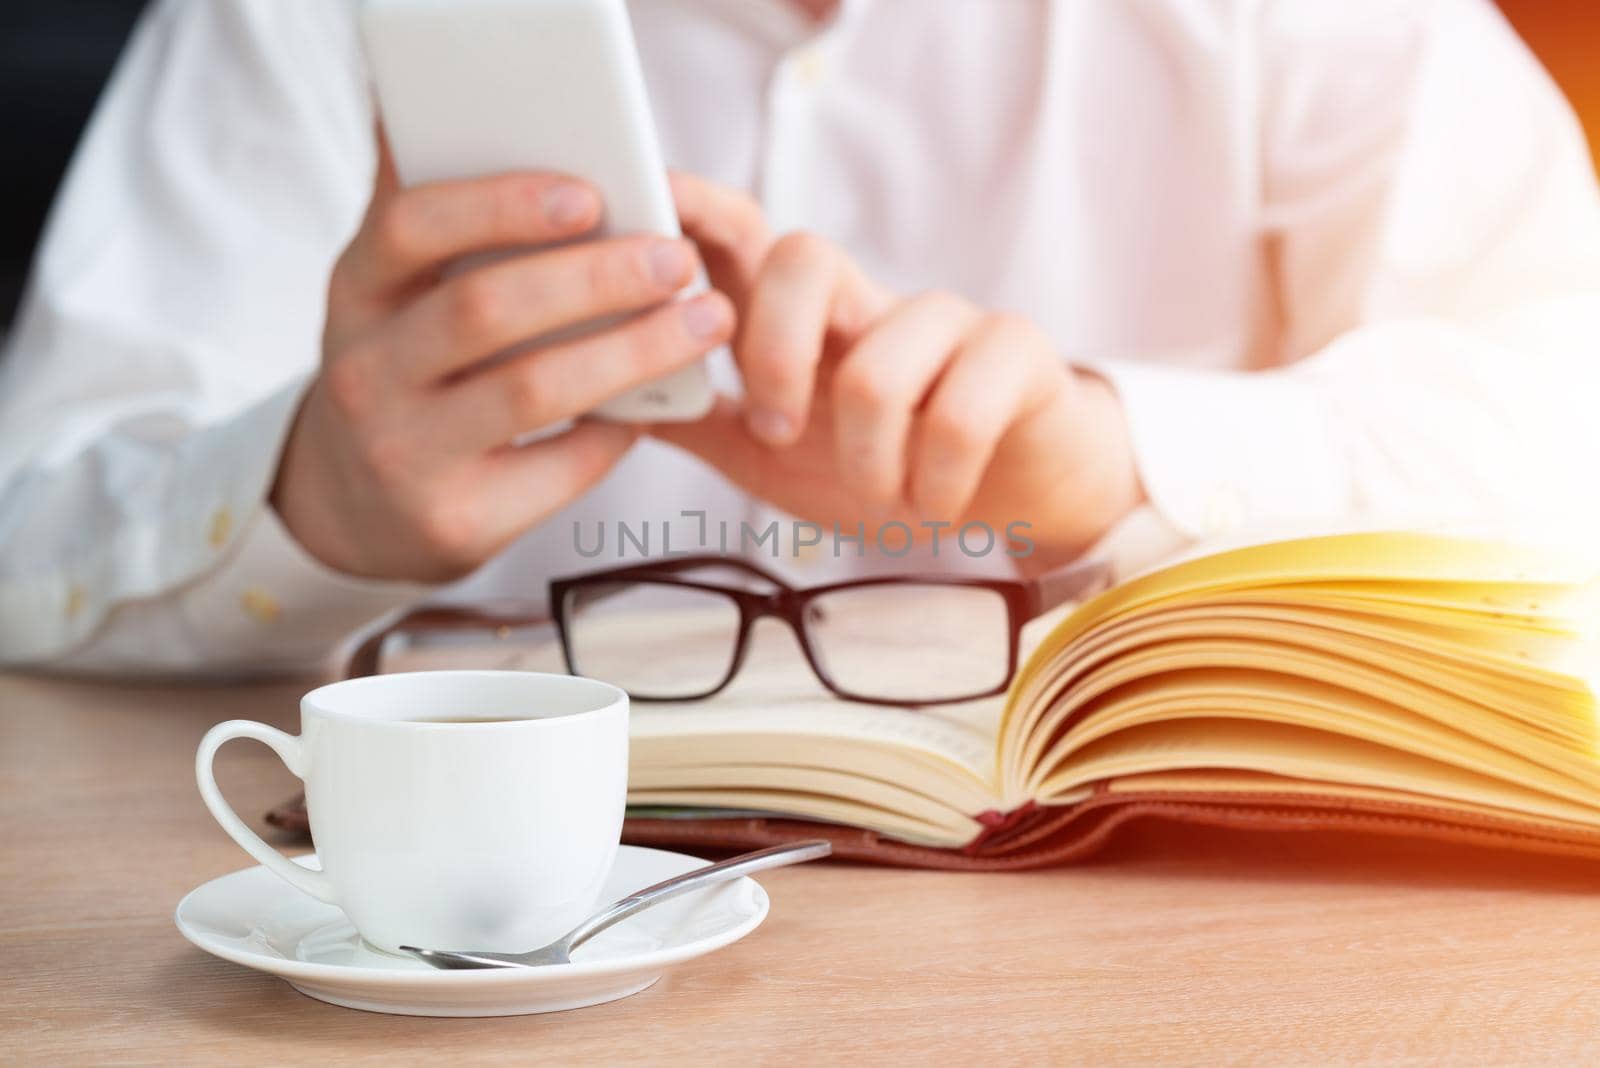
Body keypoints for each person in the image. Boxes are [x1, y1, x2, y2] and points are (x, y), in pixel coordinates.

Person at [3, 0, 1599, 675]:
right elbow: (27, 529)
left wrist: (1114, 461)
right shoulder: (305, 21)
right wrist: (305, 508)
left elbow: (1565, 418)